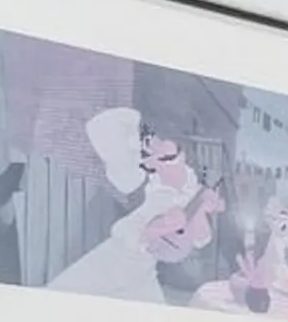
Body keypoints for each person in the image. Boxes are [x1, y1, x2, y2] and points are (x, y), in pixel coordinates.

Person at [41, 109, 221, 304]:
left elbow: (199, 239)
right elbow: (101, 129)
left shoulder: (191, 191)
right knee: (62, 297)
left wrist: (201, 210)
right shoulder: (148, 186)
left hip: (142, 268)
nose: (167, 162)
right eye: (159, 156)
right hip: (117, 258)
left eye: (173, 156)